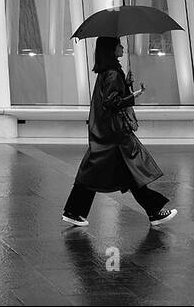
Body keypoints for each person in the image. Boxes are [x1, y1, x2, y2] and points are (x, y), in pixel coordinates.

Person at [62, 37, 176, 227]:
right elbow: (111, 102)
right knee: (128, 171)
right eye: (119, 44)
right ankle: (155, 212)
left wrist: (127, 85)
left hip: (106, 133)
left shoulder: (108, 72)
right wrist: (133, 96)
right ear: (111, 49)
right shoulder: (113, 73)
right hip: (114, 135)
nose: (122, 47)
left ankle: (74, 211)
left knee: (99, 173)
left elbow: (110, 98)